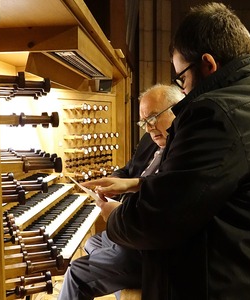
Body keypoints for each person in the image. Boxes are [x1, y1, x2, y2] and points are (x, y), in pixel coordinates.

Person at [81, 2, 250, 300]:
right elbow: (204, 186)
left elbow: (155, 221)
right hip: (247, 274)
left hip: (212, 284)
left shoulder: (214, 113)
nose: (184, 88)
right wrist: (135, 184)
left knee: (82, 271)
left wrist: (114, 215)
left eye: (182, 78)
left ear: (208, 64)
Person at [58, 84, 184, 300]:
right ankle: (117, 271)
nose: (148, 127)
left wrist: (118, 213)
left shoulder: (182, 149)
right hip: (129, 233)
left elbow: (164, 203)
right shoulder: (149, 140)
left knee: (76, 273)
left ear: (177, 110)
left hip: (148, 242)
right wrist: (115, 180)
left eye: (153, 118)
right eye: (144, 121)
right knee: (93, 242)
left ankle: (118, 269)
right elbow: (129, 170)